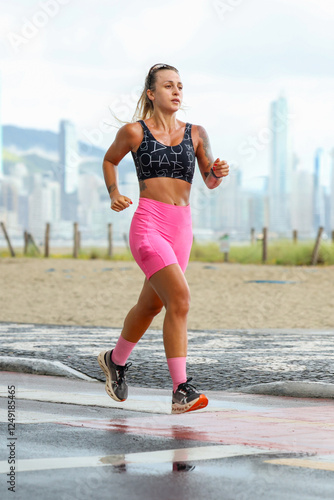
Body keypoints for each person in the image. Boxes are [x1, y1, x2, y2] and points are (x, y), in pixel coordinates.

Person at [98, 63, 229, 414]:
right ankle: (180, 390)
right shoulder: (134, 132)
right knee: (181, 300)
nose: (176, 92)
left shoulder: (197, 133)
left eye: (180, 86)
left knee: (153, 305)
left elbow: (210, 181)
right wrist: (114, 193)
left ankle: (115, 360)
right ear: (152, 94)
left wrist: (217, 173)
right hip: (149, 225)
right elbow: (109, 160)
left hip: (181, 228)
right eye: (168, 86)